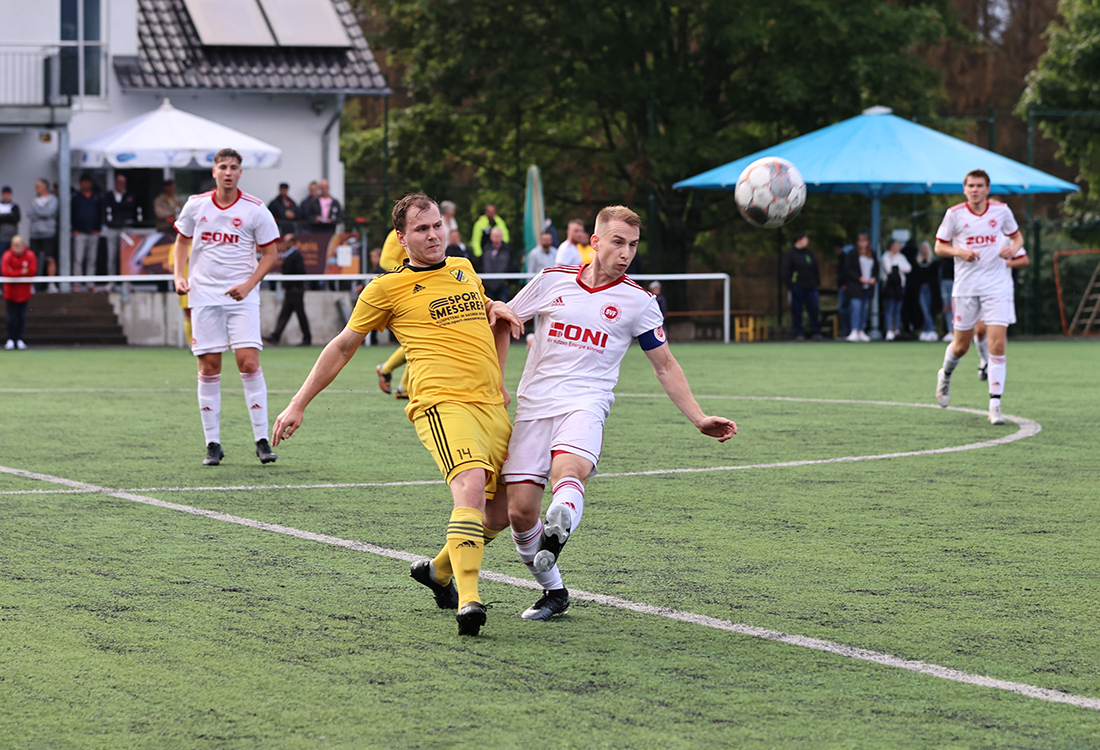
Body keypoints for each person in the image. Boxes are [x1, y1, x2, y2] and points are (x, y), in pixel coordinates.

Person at [272, 192, 523, 637]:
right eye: (421, 229)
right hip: (441, 402)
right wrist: (298, 403)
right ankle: (469, 600)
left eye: (437, 225)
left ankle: (439, 572)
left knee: (504, 511)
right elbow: (342, 346)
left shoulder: (464, 269)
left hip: (490, 404)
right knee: (469, 485)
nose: (433, 235)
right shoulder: (385, 288)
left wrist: (494, 308)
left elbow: (480, 315)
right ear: (402, 238)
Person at [494, 205, 736, 621]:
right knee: (519, 513)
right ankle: (554, 591)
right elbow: (503, 319)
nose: (626, 253)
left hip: (586, 403)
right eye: (618, 242)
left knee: (569, 471)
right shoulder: (552, 279)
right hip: (534, 407)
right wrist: (496, 379)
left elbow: (665, 365)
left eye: (634, 245)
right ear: (595, 242)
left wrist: (698, 418)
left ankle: (562, 518)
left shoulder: (639, 302)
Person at [172, 147, 281, 466]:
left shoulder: (255, 209)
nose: (228, 172)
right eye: (223, 167)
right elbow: (181, 240)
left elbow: (271, 255)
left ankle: (262, 440)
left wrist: (248, 285)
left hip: (242, 298)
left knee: (248, 363)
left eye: (234, 167)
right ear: (214, 172)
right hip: (204, 296)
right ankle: (213, 444)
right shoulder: (196, 205)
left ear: (240, 173)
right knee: (208, 367)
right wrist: (178, 275)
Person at [933, 169, 1027, 425]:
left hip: (996, 287)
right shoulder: (954, 214)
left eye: (979, 186)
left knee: (997, 345)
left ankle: (995, 406)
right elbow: (939, 246)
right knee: (961, 346)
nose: (975, 190)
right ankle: (946, 375)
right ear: (965, 189)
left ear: (987, 189)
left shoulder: (1001, 211)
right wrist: (959, 252)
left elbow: (1017, 237)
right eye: (971, 186)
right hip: (965, 288)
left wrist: (1013, 248)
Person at [374, 228, 411, 398]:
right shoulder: (397, 234)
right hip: (404, 287)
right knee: (422, 336)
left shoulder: (426, 231)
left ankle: (404, 385)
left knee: (424, 336)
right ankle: (389, 371)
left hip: (415, 286)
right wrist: (409, 275)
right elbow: (385, 261)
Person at [265, 233, 311, 346]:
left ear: (293, 242)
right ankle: (276, 335)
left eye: (287, 242)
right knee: (285, 313)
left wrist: (295, 287)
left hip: (295, 291)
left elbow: (301, 272)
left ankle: (307, 338)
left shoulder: (296, 255)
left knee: (300, 314)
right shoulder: (289, 255)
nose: (285, 244)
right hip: (289, 290)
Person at [781, 232, 823, 341]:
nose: (807, 241)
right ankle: (798, 333)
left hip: (811, 287)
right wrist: (790, 286)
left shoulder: (809, 253)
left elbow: (815, 269)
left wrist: (817, 283)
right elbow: (785, 272)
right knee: (797, 310)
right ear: (799, 240)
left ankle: (815, 331)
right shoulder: (790, 254)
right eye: (805, 239)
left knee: (814, 308)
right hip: (797, 287)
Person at [102, 174, 137, 287]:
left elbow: (130, 208)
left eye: (123, 183)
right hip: (112, 228)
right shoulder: (109, 196)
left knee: (127, 256)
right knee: (111, 257)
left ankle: (127, 282)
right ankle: (111, 281)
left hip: (125, 228)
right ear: (115, 183)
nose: (121, 185)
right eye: (119, 183)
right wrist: (122, 206)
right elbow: (108, 209)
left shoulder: (129, 194)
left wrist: (118, 207)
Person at [3, 236, 37, 350]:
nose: (18, 248)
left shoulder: (30, 255)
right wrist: (21, 272)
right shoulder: (7, 255)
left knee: (22, 317)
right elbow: (5, 272)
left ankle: (19, 339)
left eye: (19, 245)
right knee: (11, 318)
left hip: (24, 293)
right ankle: (10, 339)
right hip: (10, 293)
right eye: (15, 245)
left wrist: (14, 272)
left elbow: (32, 271)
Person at [27, 179, 59, 292]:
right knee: (32, 259)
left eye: (38, 186)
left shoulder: (53, 199)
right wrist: (42, 213)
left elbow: (49, 212)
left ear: (45, 187)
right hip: (35, 234)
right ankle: (32, 284)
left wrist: (38, 212)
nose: (36, 188)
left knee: (50, 258)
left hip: (48, 234)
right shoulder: (34, 200)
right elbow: (29, 214)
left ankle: (51, 284)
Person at [71, 174, 102, 287]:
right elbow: (71, 214)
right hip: (80, 233)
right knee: (78, 259)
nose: (85, 184)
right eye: (83, 182)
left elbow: (101, 213)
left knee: (92, 259)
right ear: (80, 183)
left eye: (87, 182)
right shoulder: (75, 197)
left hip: (94, 233)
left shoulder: (96, 197)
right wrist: (73, 229)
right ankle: (77, 283)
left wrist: (98, 228)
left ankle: (90, 283)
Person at [845, 232, 877, 342]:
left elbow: (876, 269)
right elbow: (848, 270)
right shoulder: (852, 254)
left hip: (868, 287)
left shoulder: (872, 254)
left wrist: (874, 278)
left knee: (865, 309)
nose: (863, 243)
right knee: (856, 308)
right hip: (856, 287)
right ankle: (854, 330)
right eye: (861, 241)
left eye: (865, 241)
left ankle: (861, 330)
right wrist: (859, 278)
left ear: (868, 242)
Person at [880, 239, 911, 341]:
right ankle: (889, 331)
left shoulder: (901, 257)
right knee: (889, 308)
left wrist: (897, 268)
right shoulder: (886, 256)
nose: (899, 247)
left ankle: (897, 330)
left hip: (900, 286)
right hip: (890, 287)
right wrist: (898, 268)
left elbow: (908, 268)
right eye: (897, 245)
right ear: (892, 246)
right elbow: (889, 269)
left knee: (898, 309)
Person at [912, 241, 940, 341]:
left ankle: (930, 329)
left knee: (929, 309)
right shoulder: (917, 262)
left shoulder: (933, 263)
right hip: (921, 289)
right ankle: (928, 329)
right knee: (924, 309)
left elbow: (935, 277)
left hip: (930, 289)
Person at [480, 226, 515, 302]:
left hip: (502, 285)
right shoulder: (485, 249)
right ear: (491, 237)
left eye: (498, 236)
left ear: (502, 237)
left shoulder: (508, 250)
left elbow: (513, 265)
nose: (496, 238)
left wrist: (508, 281)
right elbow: (481, 264)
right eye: (495, 236)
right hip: (487, 285)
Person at [938, 252, 955, 341]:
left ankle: (956, 331)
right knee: (947, 308)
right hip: (944, 284)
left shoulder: (956, 259)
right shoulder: (942, 261)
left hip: (955, 283)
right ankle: (950, 331)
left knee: (955, 308)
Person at [0, 186, 21, 251]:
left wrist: (2, 215)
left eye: (8, 194)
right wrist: (9, 216)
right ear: (2, 194)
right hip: (1, 236)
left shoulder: (14, 206)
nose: (6, 196)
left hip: (13, 236)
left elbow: (16, 218)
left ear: (11, 195)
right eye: (5, 194)